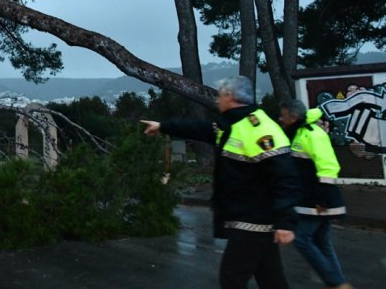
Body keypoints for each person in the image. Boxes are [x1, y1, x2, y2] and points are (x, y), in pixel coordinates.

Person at [141, 76, 299, 289]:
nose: (217, 100)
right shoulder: (233, 125)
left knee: (231, 278)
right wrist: (162, 126)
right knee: (271, 279)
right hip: (250, 219)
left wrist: (285, 222)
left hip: (254, 220)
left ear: (229, 96)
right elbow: (199, 128)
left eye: (219, 96)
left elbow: (285, 177)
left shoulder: (260, 129)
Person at [279, 100, 352, 289]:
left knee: (302, 238)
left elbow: (327, 165)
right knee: (322, 242)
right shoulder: (300, 132)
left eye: (283, 115)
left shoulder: (313, 134)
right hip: (311, 199)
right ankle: (337, 282)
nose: (280, 119)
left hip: (318, 201)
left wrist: (322, 200)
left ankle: (336, 282)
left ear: (293, 117)